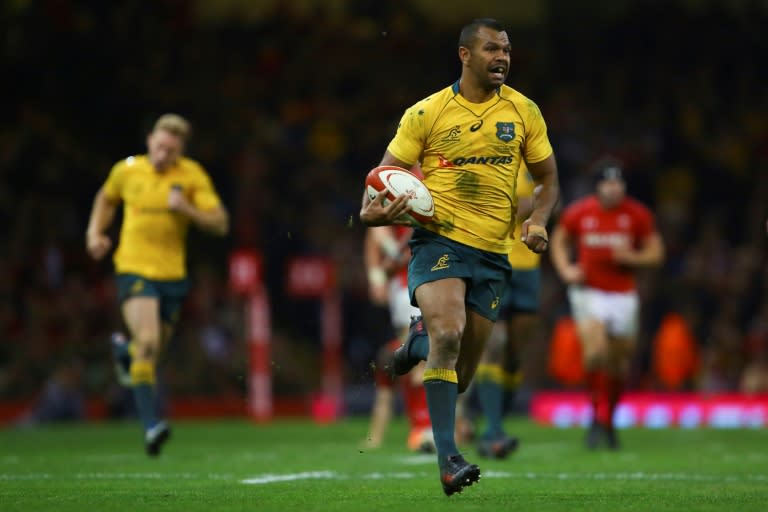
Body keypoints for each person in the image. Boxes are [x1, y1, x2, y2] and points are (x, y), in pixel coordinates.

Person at [359, 18, 559, 496]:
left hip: (493, 255)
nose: (503, 58)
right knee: (448, 333)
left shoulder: (524, 111)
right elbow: (375, 193)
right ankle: (448, 459)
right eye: (492, 49)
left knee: (461, 374)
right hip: (438, 242)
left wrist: (539, 223)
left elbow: (549, 181)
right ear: (465, 55)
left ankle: (415, 346)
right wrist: (381, 214)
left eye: (507, 49)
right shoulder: (426, 114)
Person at [85, 113, 229, 456]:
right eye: (160, 146)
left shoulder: (191, 175)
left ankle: (124, 352)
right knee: (148, 341)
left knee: (148, 356)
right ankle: (151, 426)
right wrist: (95, 232)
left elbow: (220, 222)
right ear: (150, 139)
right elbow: (106, 199)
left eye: (172, 150)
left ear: (180, 150)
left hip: (173, 277)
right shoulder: (127, 170)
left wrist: (188, 210)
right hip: (134, 269)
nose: (164, 154)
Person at [549, 156, 664, 449]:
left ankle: (608, 420)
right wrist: (566, 270)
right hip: (589, 291)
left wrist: (633, 258)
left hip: (623, 293)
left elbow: (656, 253)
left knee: (620, 363)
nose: (613, 188)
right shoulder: (579, 213)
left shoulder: (637, 215)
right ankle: (596, 417)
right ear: (597, 186)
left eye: (618, 182)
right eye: (607, 182)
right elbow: (559, 241)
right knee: (596, 352)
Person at [456, 164, 542, 459]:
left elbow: (549, 199)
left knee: (515, 355)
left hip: (528, 265)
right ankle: (493, 430)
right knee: (494, 343)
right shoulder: (481, 156)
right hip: (491, 261)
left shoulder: (534, 160)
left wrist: (537, 208)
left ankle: (495, 421)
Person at [362, 224, 434, 453]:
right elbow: (375, 231)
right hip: (407, 288)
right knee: (418, 359)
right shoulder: (395, 195)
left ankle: (435, 428)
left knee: (428, 357)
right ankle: (424, 428)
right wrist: (378, 275)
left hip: (429, 282)